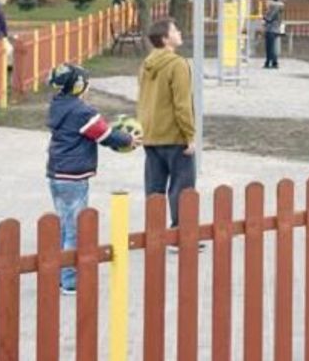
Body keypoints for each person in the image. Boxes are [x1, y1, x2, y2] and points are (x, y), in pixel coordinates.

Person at [46, 62, 138, 295]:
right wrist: (128, 140)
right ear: (77, 86)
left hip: (56, 173)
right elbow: (104, 135)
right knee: (75, 229)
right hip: (74, 177)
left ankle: (59, 273)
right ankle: (69, 282)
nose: (87, 89)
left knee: (64, 226)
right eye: (86, 85)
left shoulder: (57, 105)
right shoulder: (81, 112)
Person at [138, 17, 198, 240]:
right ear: (165, 39)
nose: (180, 32)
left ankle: (154, 233)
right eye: (175, 30)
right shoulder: (177, 64)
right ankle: (180, 234)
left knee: (154, 188)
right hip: (174, 136)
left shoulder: (146, 65)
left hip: (151, 135)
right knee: (182, 187)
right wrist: (189, 135)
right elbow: (182, 104)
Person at [262, 0, 284, 69]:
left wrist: (264, 17)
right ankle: (273, 62)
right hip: (275, 29)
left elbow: (269, 18)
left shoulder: (274, 7)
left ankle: (270, 62)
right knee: (273, 46)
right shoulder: (279, 7)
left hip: (271, 29)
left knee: (270, 47)